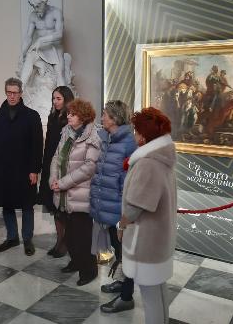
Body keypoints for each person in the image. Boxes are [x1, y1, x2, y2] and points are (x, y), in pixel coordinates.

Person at [118, 107, 177, 324]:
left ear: (143, 135)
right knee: (159, 291)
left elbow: (135, 206)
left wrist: (122, 224)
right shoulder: (162, 159)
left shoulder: (148, 163)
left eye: (136, 131)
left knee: (151, 297)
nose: (134, 135)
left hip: (146, 241)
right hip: (159, 238)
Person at [89, 100, 138, 313]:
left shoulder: (128, 143)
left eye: (105, 115)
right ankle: (121, 282)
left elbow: (128, 183)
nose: (102, 118)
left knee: (126, 253)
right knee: (119, 252)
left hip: (118, 209)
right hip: (108, 206)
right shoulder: (109, 139)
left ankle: (126, 297)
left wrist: (123, 215)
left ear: (115, 118)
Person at [0, 78, 43, 256]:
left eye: (15, 92)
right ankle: (12, 237)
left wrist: (35, 169)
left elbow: (37, 145)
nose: (11, 96)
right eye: (9, 92)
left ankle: (27, 239)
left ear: (21, 93)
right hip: (4, 168)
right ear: (6, 93)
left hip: (25, 168)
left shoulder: (32, 116)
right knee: (7, 204)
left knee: (27, 205)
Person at [49, 99, 101, 286]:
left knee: (82, 237)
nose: (68, 116)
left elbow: (89, 168)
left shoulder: (93, 136)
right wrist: (53, 179)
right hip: (63, 194)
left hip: (80, 195)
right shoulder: (66, 132)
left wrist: (62, 183)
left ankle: (89, 270)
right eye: (68, 113)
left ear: (83, 116)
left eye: (72, 113)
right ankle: (75, 262)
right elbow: (56, 157)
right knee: (69, 236)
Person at [38, 86, 75, 258]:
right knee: (54, 207)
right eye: (53, 98)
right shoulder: (52, 116)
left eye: (58, 98)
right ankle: (59, 241)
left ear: (67, 99)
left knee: (63, 208)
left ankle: (65, 242)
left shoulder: (71, 119)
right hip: (50, 165)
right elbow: (49, 143)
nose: (55, 102)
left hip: (63, 167)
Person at [17, 0, 66, 86]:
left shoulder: (56, 12)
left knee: (59, 74)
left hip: (54, 48)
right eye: (34, 7)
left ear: (44, 2)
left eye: (38, 6)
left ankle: (64, 99)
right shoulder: (33, 16)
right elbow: (28, 37)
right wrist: (22, 54)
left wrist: (41, 40)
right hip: (40, 49)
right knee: (29, 58)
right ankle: (20, 89)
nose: (36, 9)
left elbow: (59, 34)